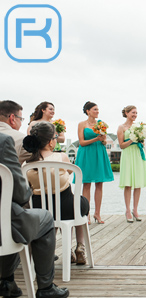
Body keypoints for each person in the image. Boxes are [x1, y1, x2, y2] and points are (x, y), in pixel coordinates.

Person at [0, 130, 69, 298]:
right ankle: (45, 288)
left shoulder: (28, 165)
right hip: (3, 225)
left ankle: (8, 282)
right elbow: (20, 194)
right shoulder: (2, 141)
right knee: (43, 218)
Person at [23, 122, 90, 265]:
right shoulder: (62, 158)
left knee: (52, 207)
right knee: (80, 203)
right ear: (50, 142)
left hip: (39, 211)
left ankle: (51, 250)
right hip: (66, 208)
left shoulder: (27, 164)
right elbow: (71, 172)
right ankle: (80, 246)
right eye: (55, 137)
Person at [74, 102, 114, 224]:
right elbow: (81, 142)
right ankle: (86, 214)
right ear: (88, 111)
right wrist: (96, 138)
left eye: (98, 109)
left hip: (99, 153)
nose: (97, 111)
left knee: (99, 184)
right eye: (95, 109)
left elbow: (104, 142)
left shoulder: (101, 124)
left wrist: (102, 140)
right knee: (86, 184)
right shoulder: (82, 124)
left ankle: (97, 213)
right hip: (86, 154)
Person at [117, 106, 146, 223]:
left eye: (136, 113)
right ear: (126, 113)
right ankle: (127, 210)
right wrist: (132, 139)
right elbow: (121, 145)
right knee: (128, 184)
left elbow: (142, 141)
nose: (135, 115)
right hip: (127, 154)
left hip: (137, 154)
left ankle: (135, 210)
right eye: (133, 112)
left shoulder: (138, 126)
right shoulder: (121, 127)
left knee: (138, 183)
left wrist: (140, 139)